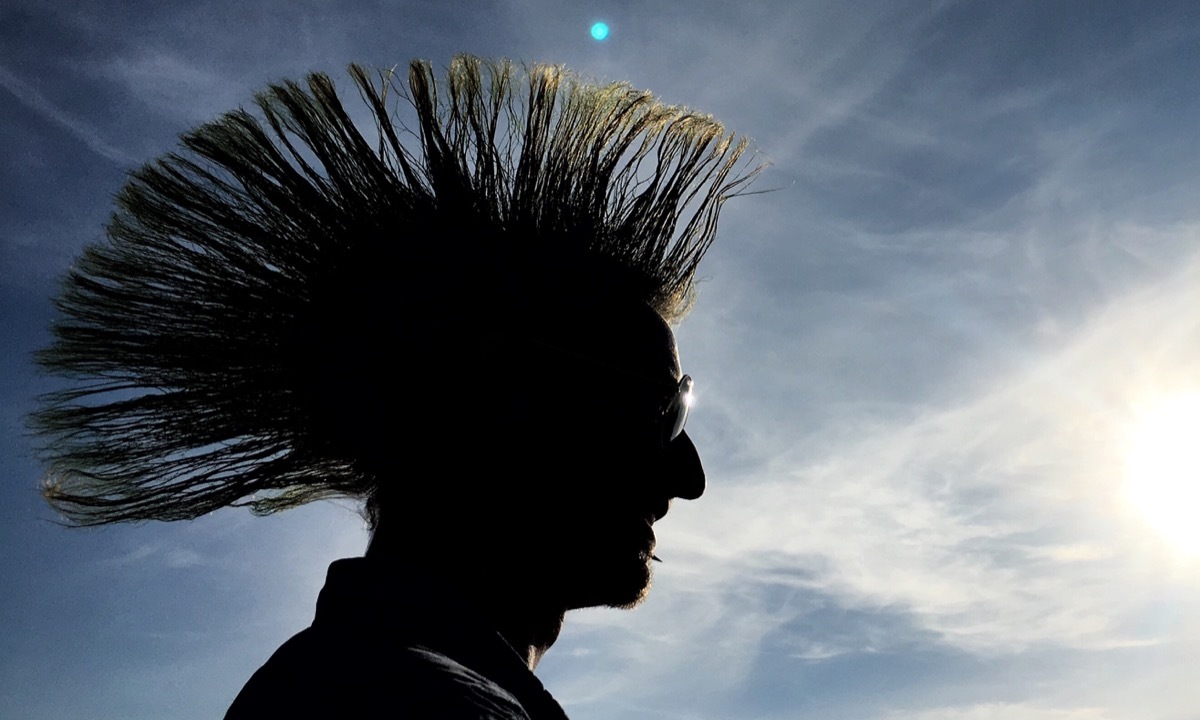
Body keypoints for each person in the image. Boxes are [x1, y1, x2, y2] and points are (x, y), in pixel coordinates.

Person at [31, 55, 759, 718]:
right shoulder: (399, 701)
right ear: (500, 412)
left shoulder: (363, 684)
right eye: (657, 411)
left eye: (681, 403)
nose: (689, 477)